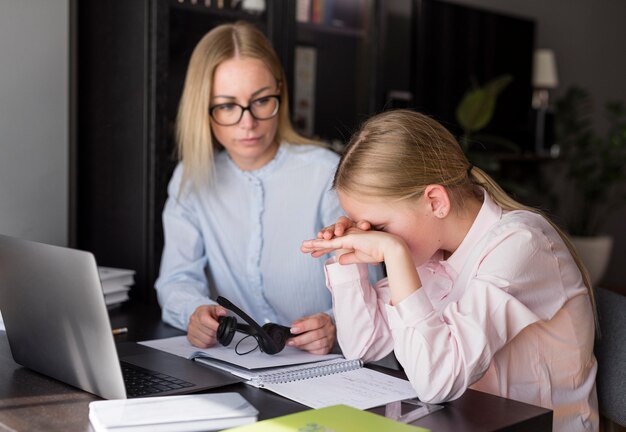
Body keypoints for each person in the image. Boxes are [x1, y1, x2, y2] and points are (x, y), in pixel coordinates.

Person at [301, 110, 598, 431]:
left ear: (435, 202)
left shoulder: (522, 244)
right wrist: (350, 259)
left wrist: (394, 253)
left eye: (379, 226)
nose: (372, 237)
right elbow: (362, 347)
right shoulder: (433, 250)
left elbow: (436, 382)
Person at [155, 21, 342, 355]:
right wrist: (194, 312)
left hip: (325, 369)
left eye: (260, 100)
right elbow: (175, 280)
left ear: (281, 92)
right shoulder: (192, 179)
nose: (247, 122)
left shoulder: (327, 175)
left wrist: (336, 323)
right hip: (237, 365)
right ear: (204, 108)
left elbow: (372, 294)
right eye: (227, 106)